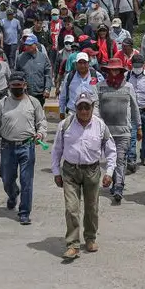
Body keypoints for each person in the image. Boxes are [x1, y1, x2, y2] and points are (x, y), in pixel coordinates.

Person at [50, 91, 117, 260]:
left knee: (91, 208)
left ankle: (90, 238)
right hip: (70, 171)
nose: (84, 111)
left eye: (87, 107)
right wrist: (56, 172)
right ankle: (72, 244)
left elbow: (111, 150)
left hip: (92, 171)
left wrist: (109, 172)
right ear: (75, 108)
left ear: (92, 107)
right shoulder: (65, 125)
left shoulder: (100, 125)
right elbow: (56, 150)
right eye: (80, 107)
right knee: (71, 208)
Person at [0, 71, 48, 225]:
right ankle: (13, 194)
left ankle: (24, 212)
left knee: (27, 181)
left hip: (27, 146)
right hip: (7, 147)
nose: (16, 88)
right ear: (9, 86)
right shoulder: (3, 103)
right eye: (13, 85)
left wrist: (41, 134)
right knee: (6, 178)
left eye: (19, 85)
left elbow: (42, 122)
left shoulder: (33, 102)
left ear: (25, 85)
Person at [95, 58, 140, 203]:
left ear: (121, 71)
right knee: (111, 160)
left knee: (120, 159)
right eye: (111, 70)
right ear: (107, 71)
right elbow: (95, 106)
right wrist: (97, 122)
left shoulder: (128, 87)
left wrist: (139, 126)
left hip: (123, 131)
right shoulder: (100, 86)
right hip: (106, 132)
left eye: (116, 70)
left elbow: (135, 108)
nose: (114, 72)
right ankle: (115, 182)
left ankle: (119, 186)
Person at [125, 53, 145, 168]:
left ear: (144, 65)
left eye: (139, 66)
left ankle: (144, 156)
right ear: (131, 65)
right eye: (135, 66)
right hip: (132, 112)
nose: (137, 68)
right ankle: (131, 159)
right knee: (132, 136)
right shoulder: (126, 76)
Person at [58, 52, 104, 117]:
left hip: (93, 113)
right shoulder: (69, 76)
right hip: (73, 112)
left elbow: (103, 95)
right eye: (80, 63)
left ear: (88, 63)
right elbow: (63, 95)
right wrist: (62, 111)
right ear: (76, 64)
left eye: (85, 63)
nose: (82, 65)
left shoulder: (97, 76)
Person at [14, 34, 53, 105]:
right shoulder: (20, 58)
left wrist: (47, 89)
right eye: (26, 45)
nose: (28, 47)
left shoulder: (43, 57)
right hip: (25, 94)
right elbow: (17, 75)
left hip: (39, 93)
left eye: (30, 45)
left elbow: (48, 75)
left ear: (36, 44)